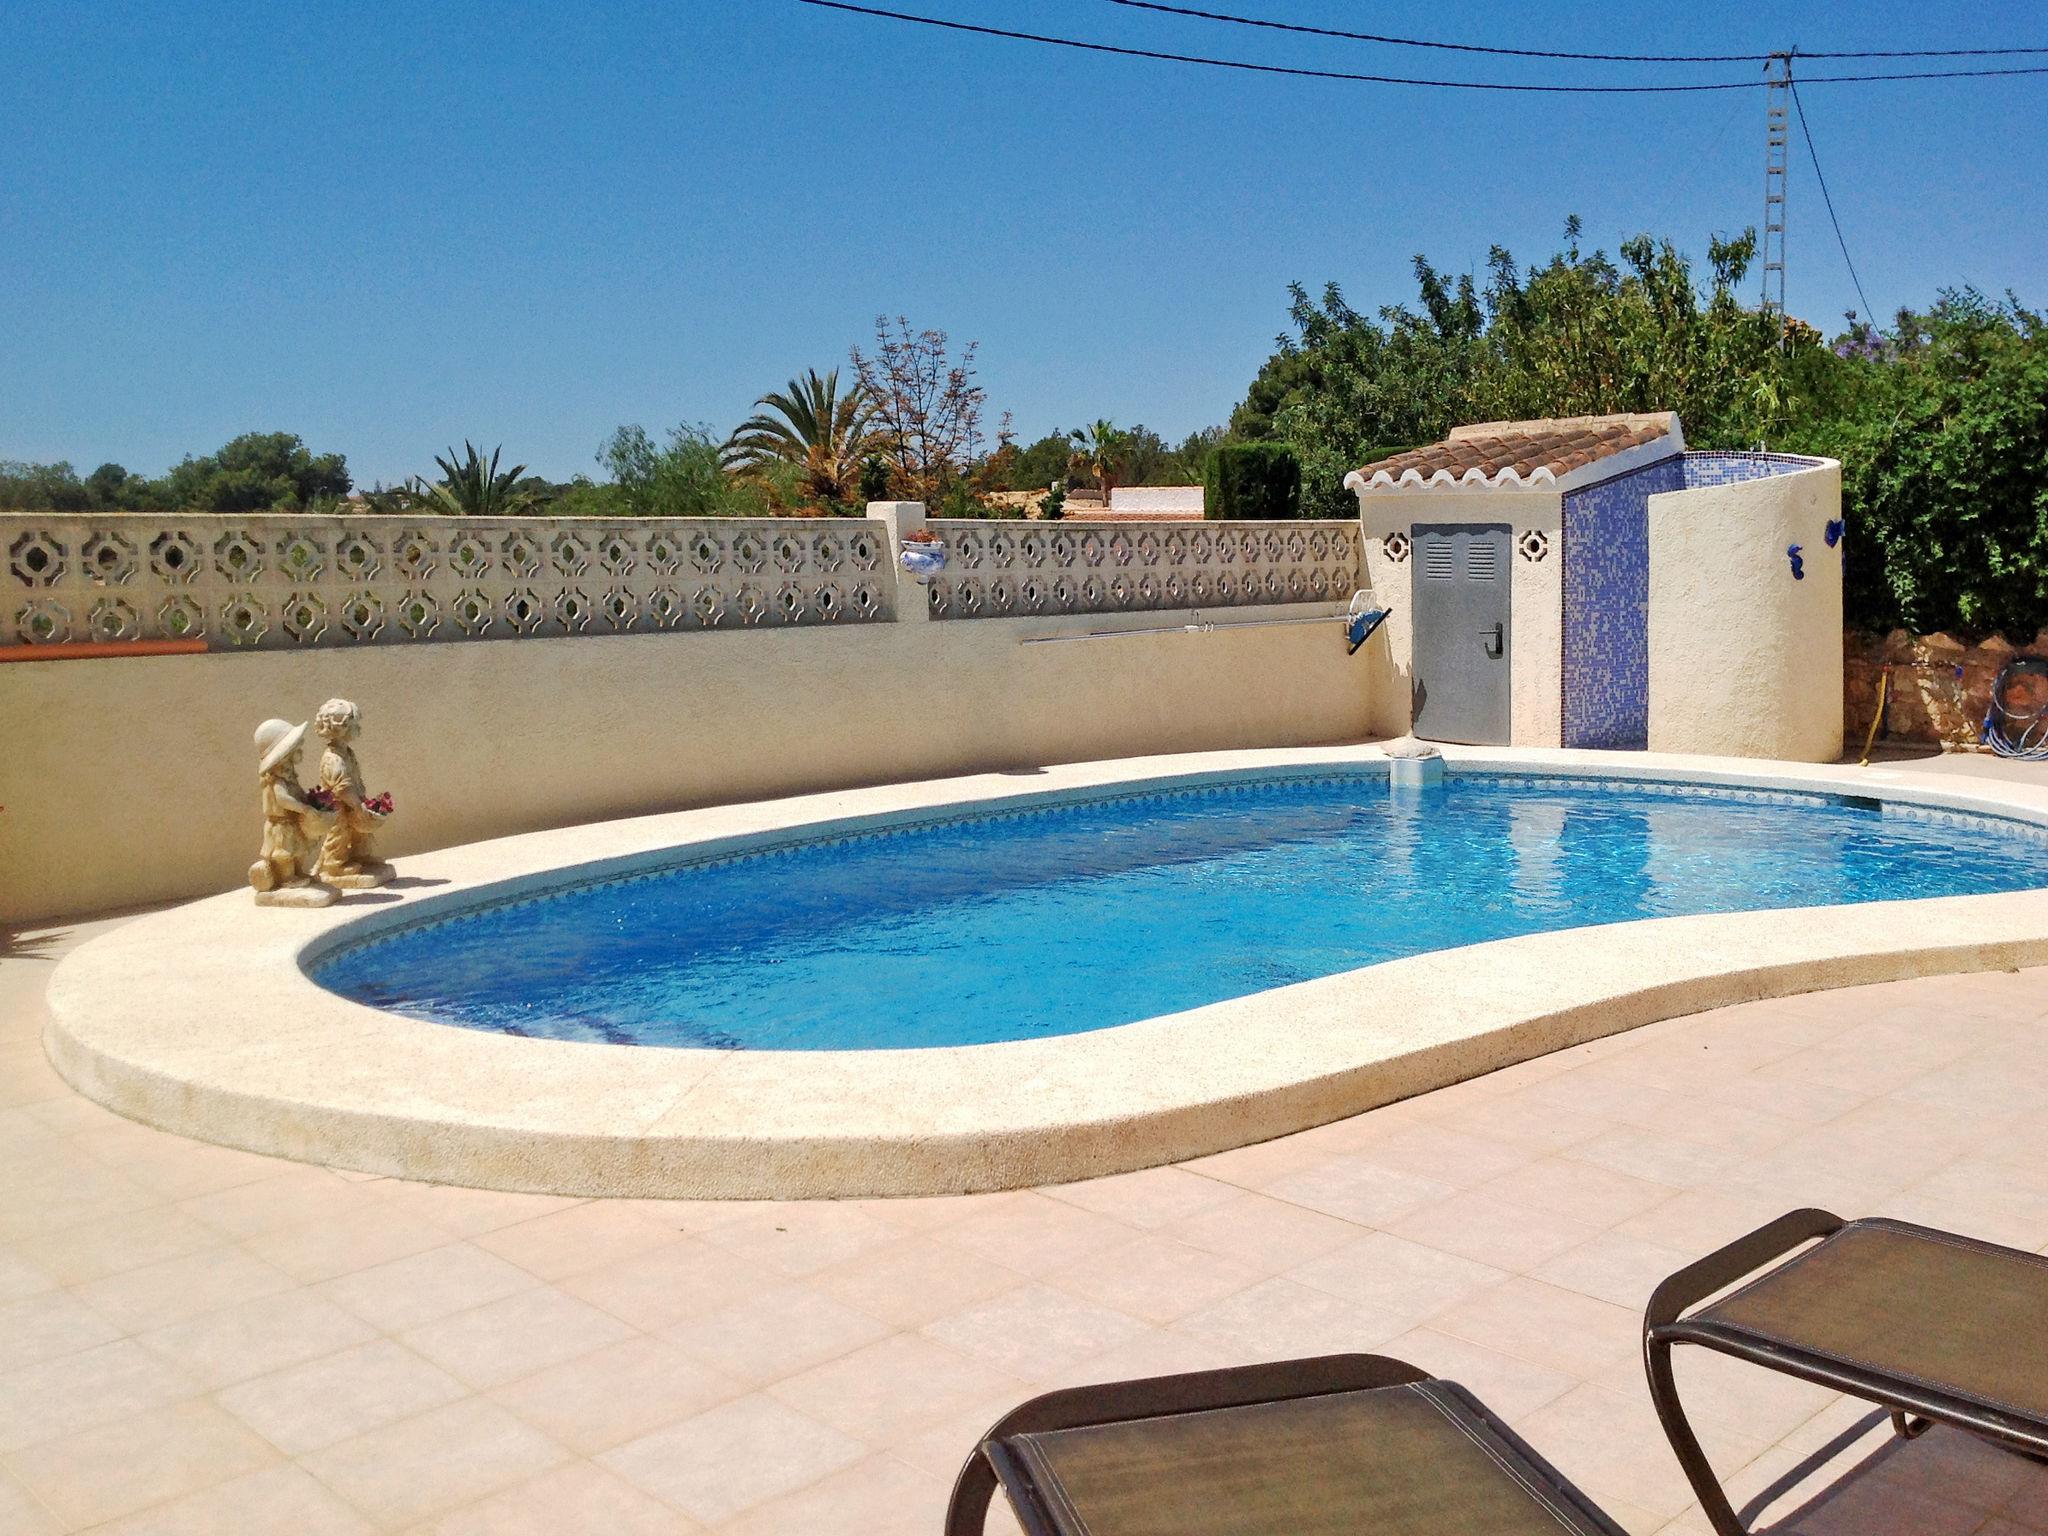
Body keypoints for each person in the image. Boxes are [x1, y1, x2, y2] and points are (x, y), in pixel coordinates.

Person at [249, 718, 332, 899]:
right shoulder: (276, 781)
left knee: (298, 851)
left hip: (292, 822)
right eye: (296, 748)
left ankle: (299, 872)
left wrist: (308, 800)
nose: (300, 750)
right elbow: (284, 799)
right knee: (284, 854)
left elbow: (296, 793)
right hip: (281, 825)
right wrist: (303, 808)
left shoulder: (288, 776)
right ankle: (287, 877)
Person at [314, 698, 391, 885]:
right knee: (339, 832)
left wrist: (362, 800)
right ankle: (334, 865)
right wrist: (357, 805)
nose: (359, 729)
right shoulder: (333, 758)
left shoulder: (347, 753)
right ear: (342, 728)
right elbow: (342, 787)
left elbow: (355, 780)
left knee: (360, 832)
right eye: (355, 725)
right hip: (339, 806)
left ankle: (360, 855)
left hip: (354, 801)